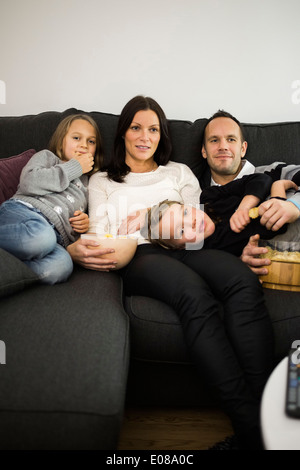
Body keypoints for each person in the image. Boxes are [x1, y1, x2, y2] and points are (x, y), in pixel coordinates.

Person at [85, 95, 275, 449]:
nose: (145, 136)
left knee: (242, 280)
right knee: (193, 295)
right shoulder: (102, 181)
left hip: (184, 249)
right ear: (123, 133)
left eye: (153, 129)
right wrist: (145, 227)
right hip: (138, 254)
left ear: (162, 135)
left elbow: (196, 228)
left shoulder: (179, 172)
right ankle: (252, 428)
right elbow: (99, 234)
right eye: (136, 128)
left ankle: (270, 413)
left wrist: (151, 217)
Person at [0, 114, 103, 284]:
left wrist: (83, 224)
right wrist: (75, 166)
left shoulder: (87, 184)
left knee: (62, 266)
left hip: (55, 237)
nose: (84, 145)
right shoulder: (48, 158)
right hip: (23, 212)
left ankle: (9, 273)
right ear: (62, 140)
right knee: (41, 238)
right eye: (77, 138)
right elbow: (28, 182)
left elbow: (77, 221)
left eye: (91, 141)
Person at [199, 110, 300, 274]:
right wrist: (237, 262)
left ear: (243, 148)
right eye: (214, 140)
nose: (223, 146)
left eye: (231, 139)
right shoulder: (201, 202)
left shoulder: (272, 172)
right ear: (204, 151)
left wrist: (295, 205)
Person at [140, 176, 297, 255]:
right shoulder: (216, 245)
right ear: (182, 247)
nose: (192, 222)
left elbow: (259, 179)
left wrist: (243, 208)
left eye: (185, 212)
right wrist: (278, 190)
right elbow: (274, 225)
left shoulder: (209, 197)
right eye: (181, 230)